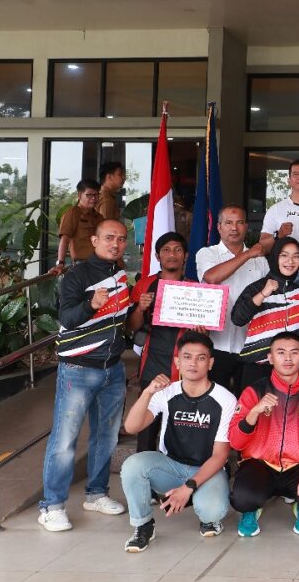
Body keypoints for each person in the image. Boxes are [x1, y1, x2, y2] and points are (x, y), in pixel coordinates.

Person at [39, 219, 131, 532]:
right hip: (78, 369)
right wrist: (91, 304)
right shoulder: (76, 276)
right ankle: (51, 506)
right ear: (94, 240)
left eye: (121, 238)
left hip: (113, 369)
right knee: (65, 440)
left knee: (106, 437)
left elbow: (119, 322)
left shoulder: (120, 275)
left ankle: (96, 494)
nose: (116, 244)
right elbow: (67, 317)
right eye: (109, 237)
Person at [120, 332, 236, 551]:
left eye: (201, 358)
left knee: (212, 511)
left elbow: (220, 455)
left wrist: (188, 487)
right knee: (133, 465)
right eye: (187, 357)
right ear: (177, 361)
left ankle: (204, 509)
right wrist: (147, 393)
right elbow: (132, 427)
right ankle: (143, 525)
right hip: (171, 466)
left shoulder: (225, 399)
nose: (193, 363)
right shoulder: (167, 392)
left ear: (210, 363)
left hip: (207, 469)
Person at [228, 332, 299, 537]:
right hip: (260, 464)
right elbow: (235, 442)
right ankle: (252, 509)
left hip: (297, 466)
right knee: (243, 499)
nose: (288, 358)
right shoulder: (254, 392)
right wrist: (254, 412)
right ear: (270, 357)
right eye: (281, 352)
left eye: (294, 353)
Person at [126, 232, 193, 453]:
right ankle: (144, 472)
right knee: (147, 428)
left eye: (177, 250)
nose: (172, 254)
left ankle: (176, 473)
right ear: (157, 256)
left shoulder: (196, 289)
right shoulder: (144, 285)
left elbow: (205, 336)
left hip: (185, 367)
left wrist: (201, 330)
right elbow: (132, 327)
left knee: (180, 430)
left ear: (185, 255)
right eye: (166, 250)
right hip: (152, 363)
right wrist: (140, 309)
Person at [196, 205, 271, 393]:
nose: (234, 228)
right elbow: (212, 277)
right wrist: (247, 254)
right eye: (228, 223)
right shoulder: (207, 253)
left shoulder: (261, 261)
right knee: (214, 401)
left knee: (246, 402)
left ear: (246, 227)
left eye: (239, 223)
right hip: (215, 344)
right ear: (219, 227)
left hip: (250, 346)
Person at [230, 237, 299, 389]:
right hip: (258, 368)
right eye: (284, 255)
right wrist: (263, 294)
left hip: (290, 370)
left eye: (296, 256)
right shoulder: (256, 288)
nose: (290, 261)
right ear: (274, 257)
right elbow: (237, 318)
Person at [53, 178, 102, 272]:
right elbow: (65, 239)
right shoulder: (73, 213)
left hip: (100, 264)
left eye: (96, 195)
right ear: (79, 195)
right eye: (89, 195)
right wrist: (60, 264)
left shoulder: (99, 217)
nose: (93, 198)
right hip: (83, 265)